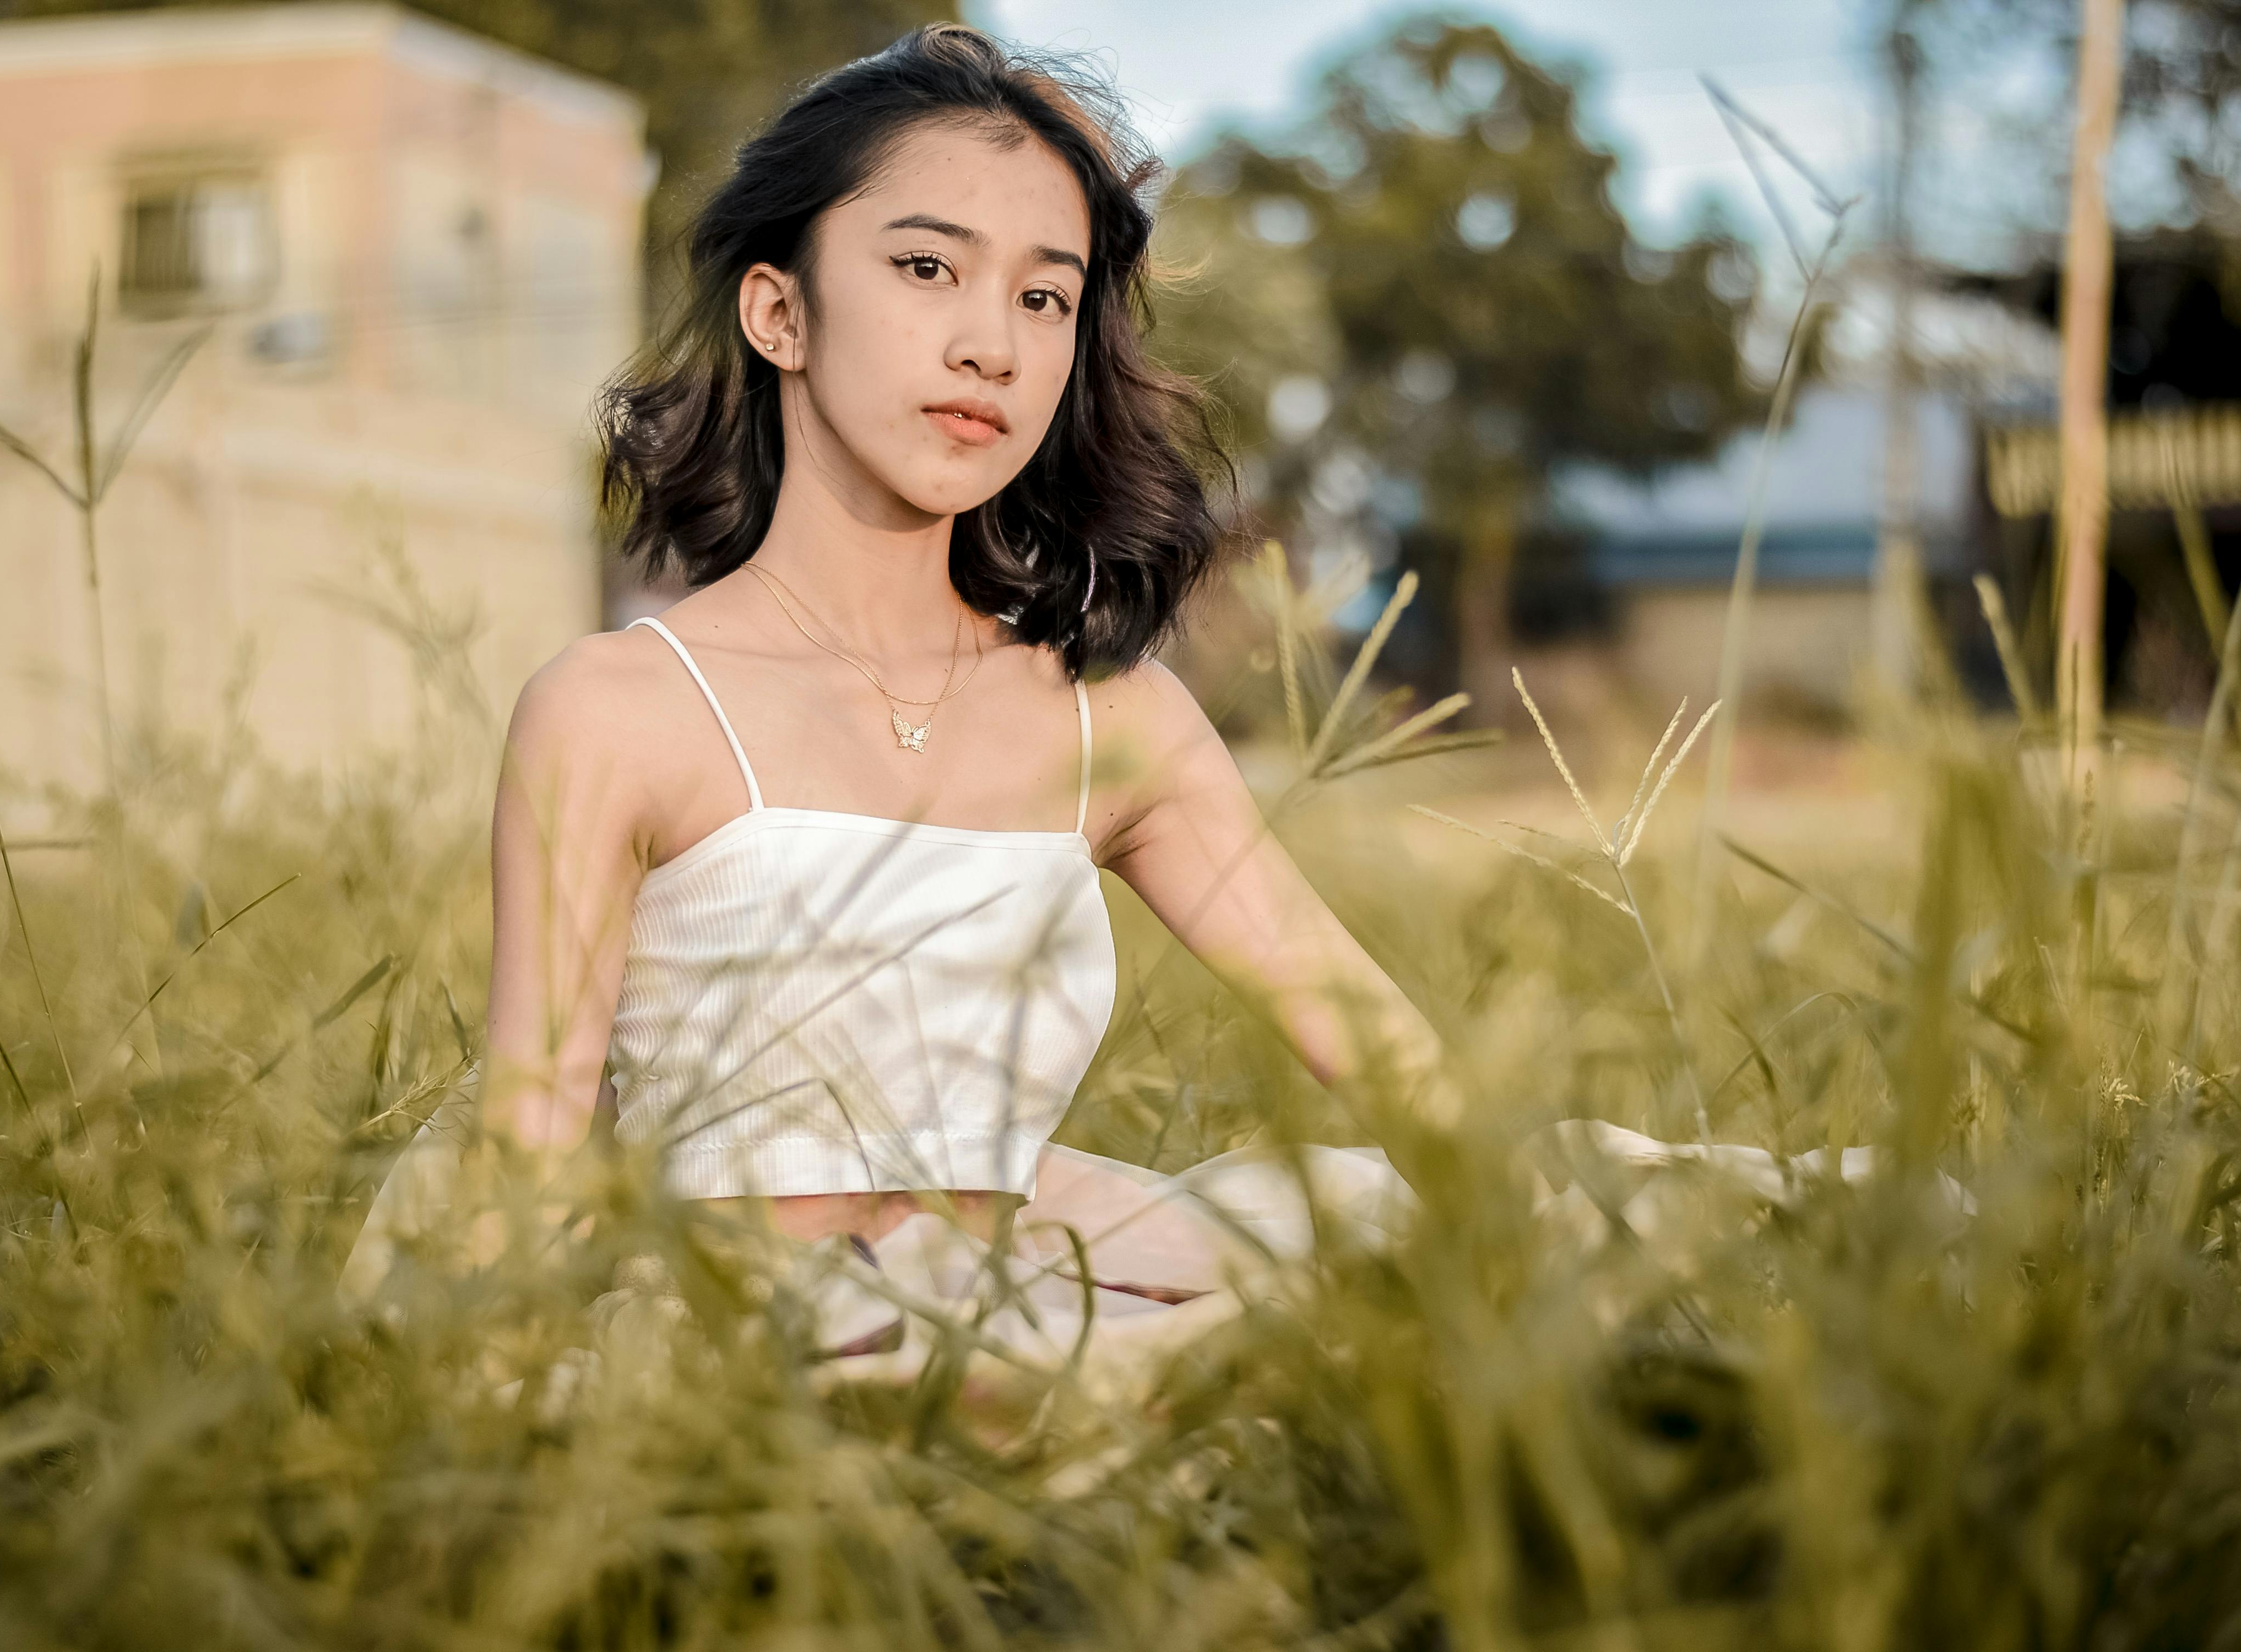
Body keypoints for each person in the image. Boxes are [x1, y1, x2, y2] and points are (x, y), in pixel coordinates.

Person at [343, 24, 1452, 1366]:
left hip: (1047, 1285)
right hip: (743, 1339)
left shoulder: (1119, 722)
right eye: (927, 268)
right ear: (781, 311)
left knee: (1461, 1265)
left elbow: (1387, 1056)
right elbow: (529, 1160)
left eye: (1044, 299)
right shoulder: (618, 707)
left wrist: (1508, 1218)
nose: (991, 344)